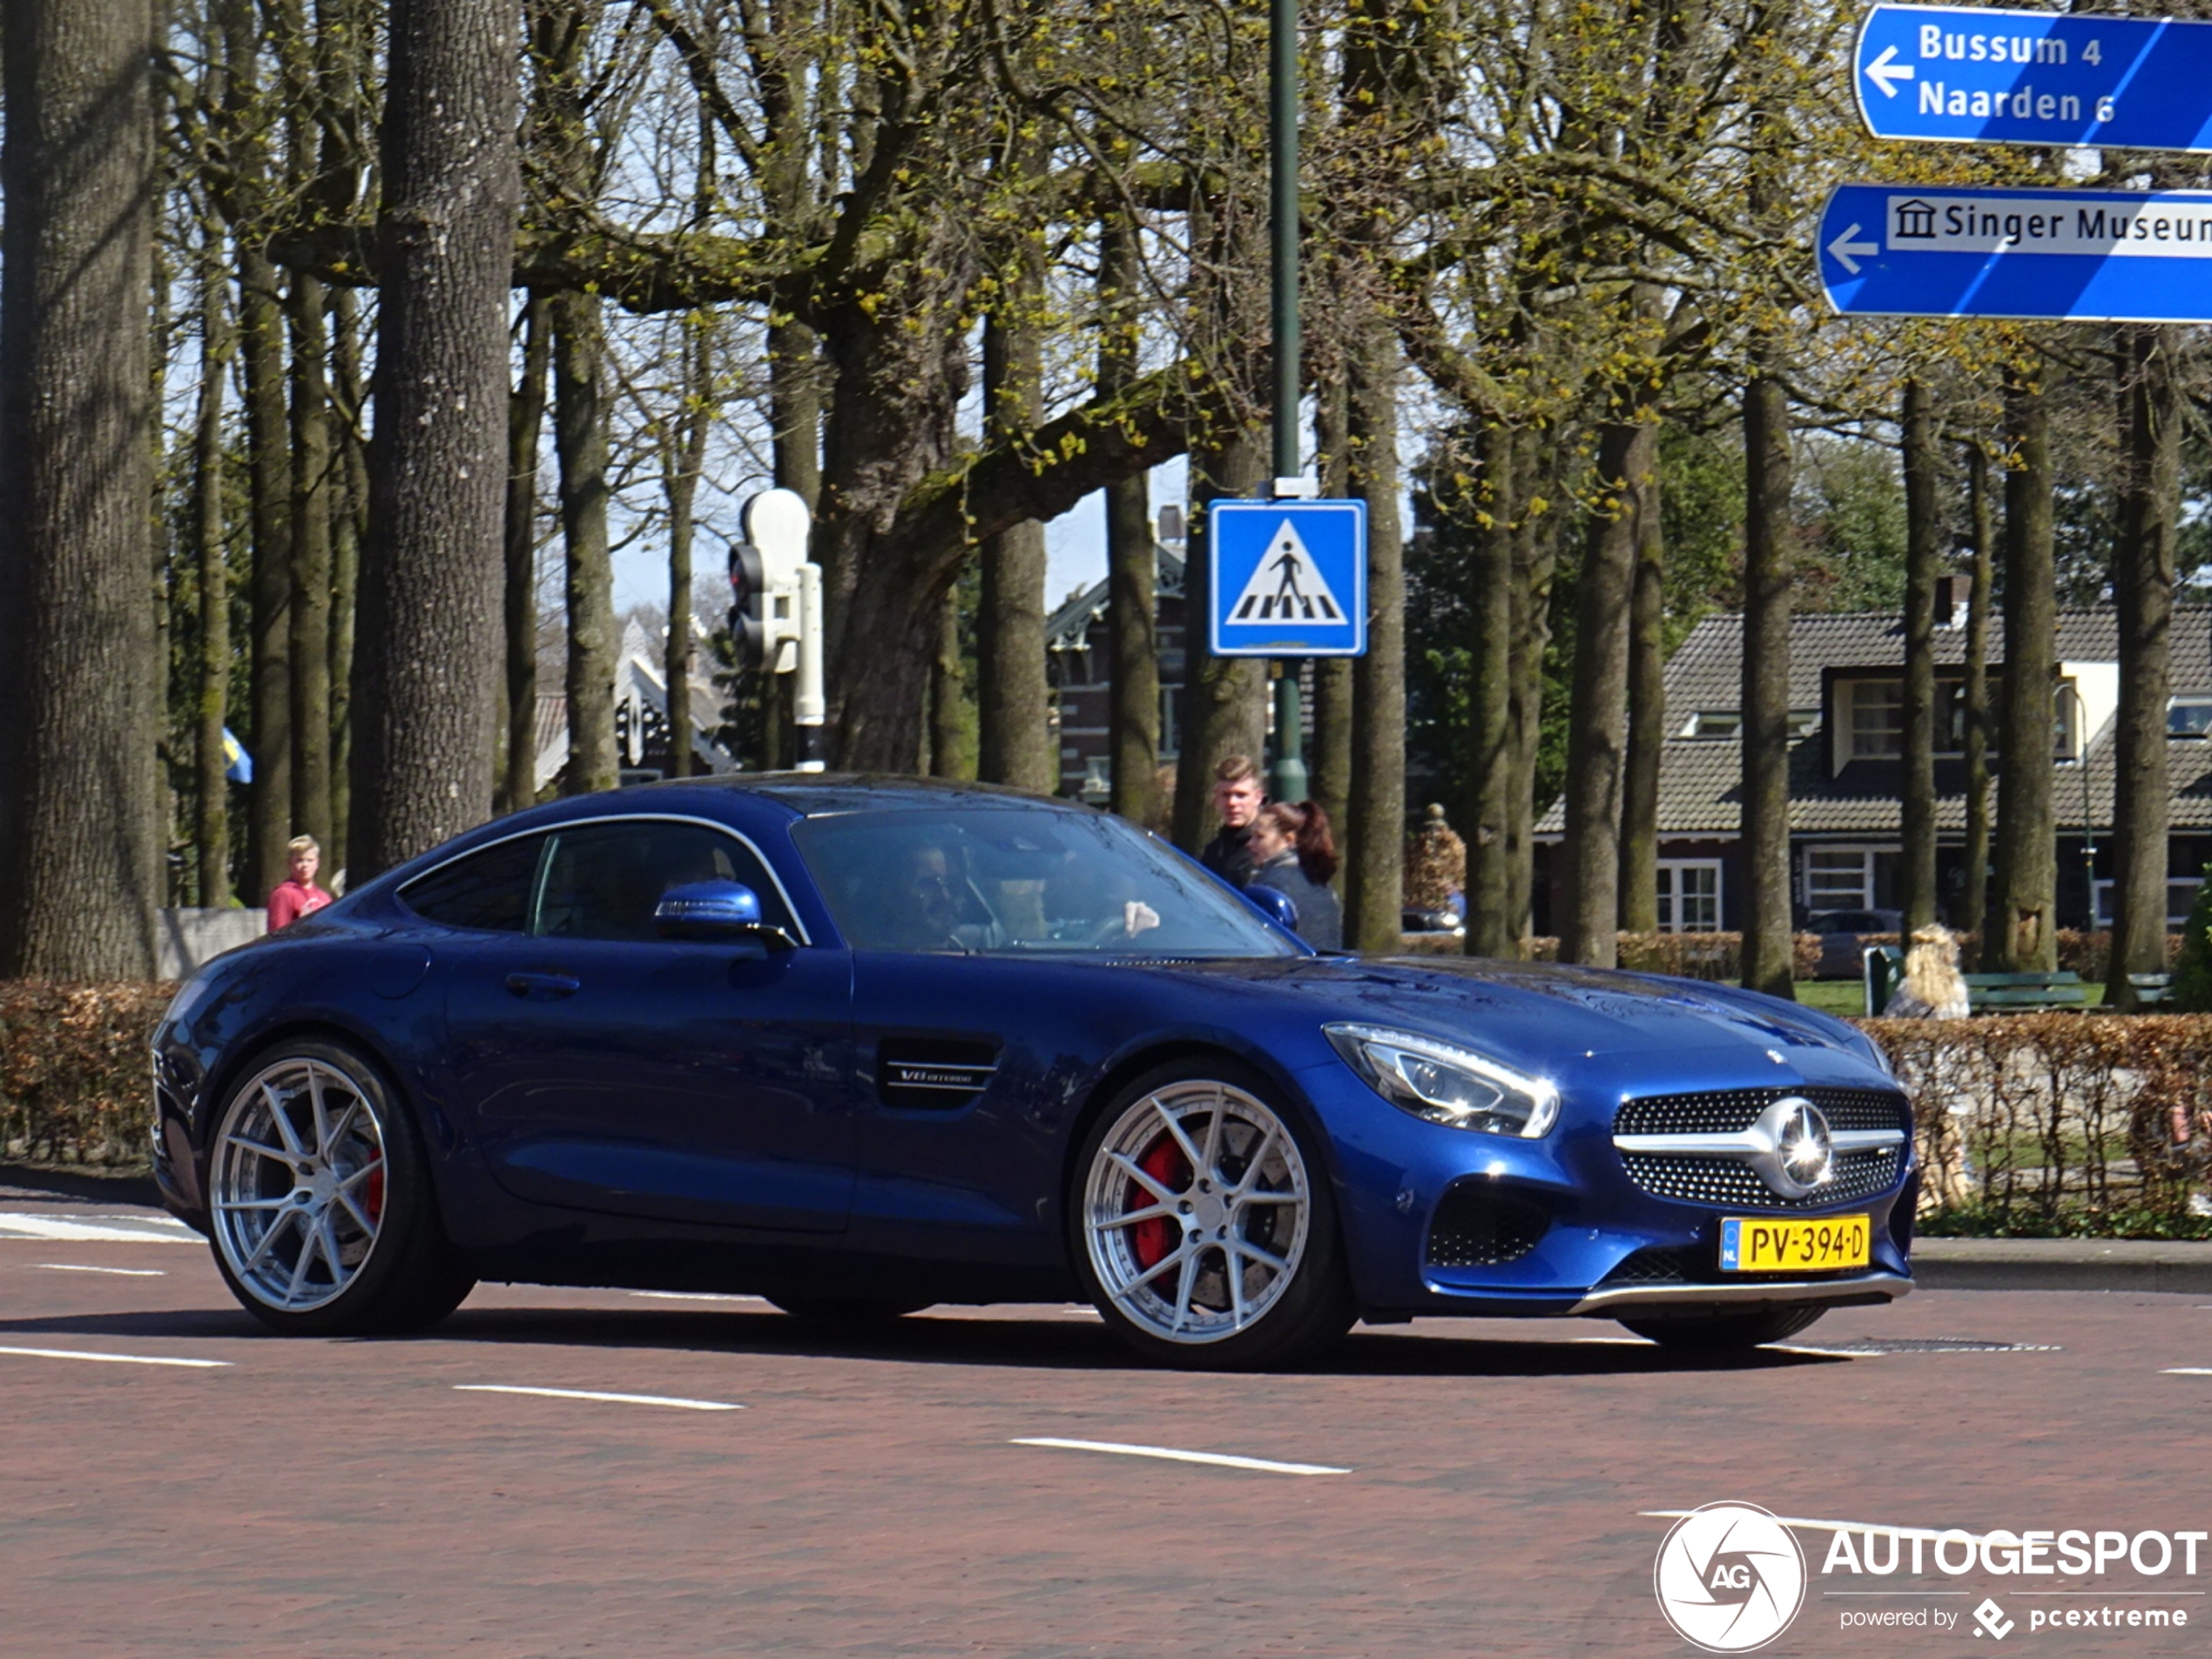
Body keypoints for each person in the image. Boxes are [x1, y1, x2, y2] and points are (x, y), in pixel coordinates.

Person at [1246, 799, 1342, 950]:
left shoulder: (1272, 884)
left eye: (1259, 837)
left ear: (1288, 840)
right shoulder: (1320, 880)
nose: (1250, 843)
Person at [1198, 754, 1265, 887]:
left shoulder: (1268, 847)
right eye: (1226, 795)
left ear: (1258, 797)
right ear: (1216, 797)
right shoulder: (1214, 851)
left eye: (1241, 795)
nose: (1232, 803)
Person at [1882, 921, 1970, 1019]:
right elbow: (1963, 1016)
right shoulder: (1957, 986)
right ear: (1947, 956)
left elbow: (1890, 1018)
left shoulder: (1908, 988)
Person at [267, 835, 333, 931]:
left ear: (317, 863)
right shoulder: (283, 894)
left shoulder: (324, 898)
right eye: (299, 860)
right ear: (290, 863)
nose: (305, 865)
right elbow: (277, 934)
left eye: (310, 860)